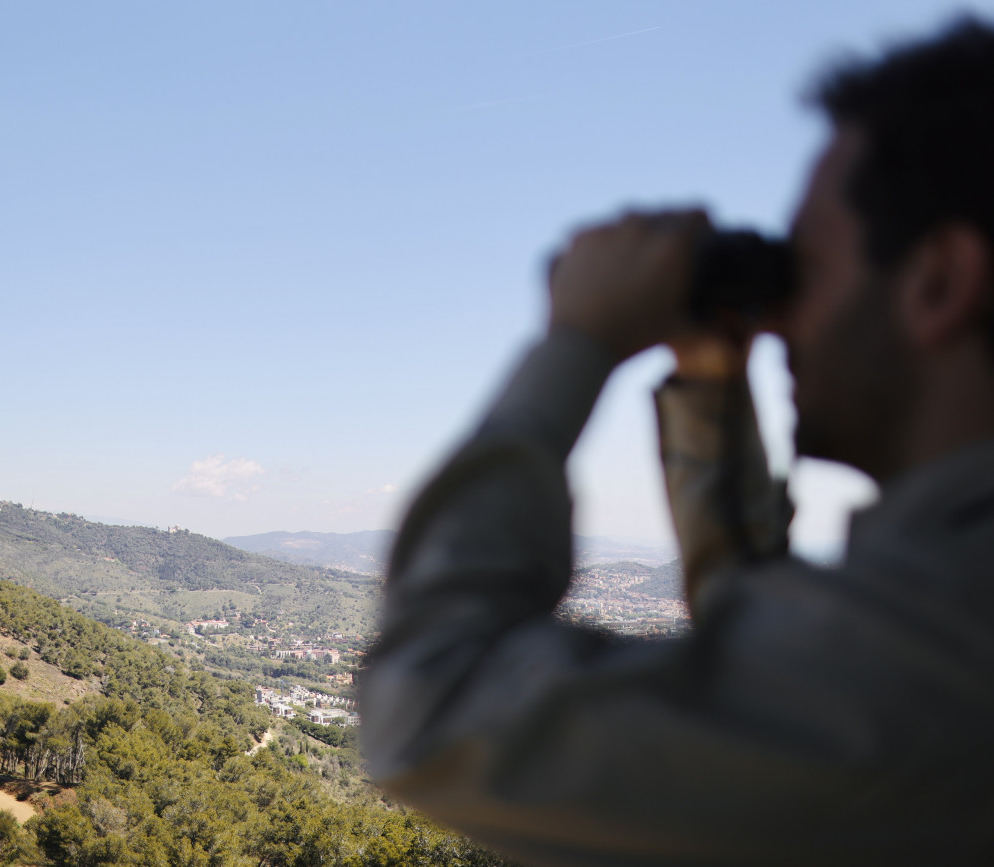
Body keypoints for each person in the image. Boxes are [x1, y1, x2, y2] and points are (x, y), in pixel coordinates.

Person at [359, 18, 994, 865]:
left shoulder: (950, 651)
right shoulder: (948, 612)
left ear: (940, 282)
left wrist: (576, 343)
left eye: (798, 272)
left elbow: (429, 706)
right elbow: (791, 668)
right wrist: (710, 389)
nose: (775, 319)